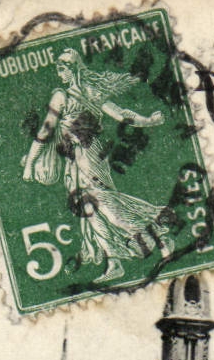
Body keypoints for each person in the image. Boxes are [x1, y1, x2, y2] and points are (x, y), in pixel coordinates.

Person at [21, 48, 171, 284]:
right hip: (75, 161)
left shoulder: (66, 95)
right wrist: (148, 121)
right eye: (58, 67)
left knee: (107, 206)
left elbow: (47, 130)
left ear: (74, 69)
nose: (59, 72)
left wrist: (30, 163)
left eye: (63, 67)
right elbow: (120, 115)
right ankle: (114, 263)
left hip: (88, 156)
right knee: (90, 211)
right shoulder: (80, 93)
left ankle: (159, 239)